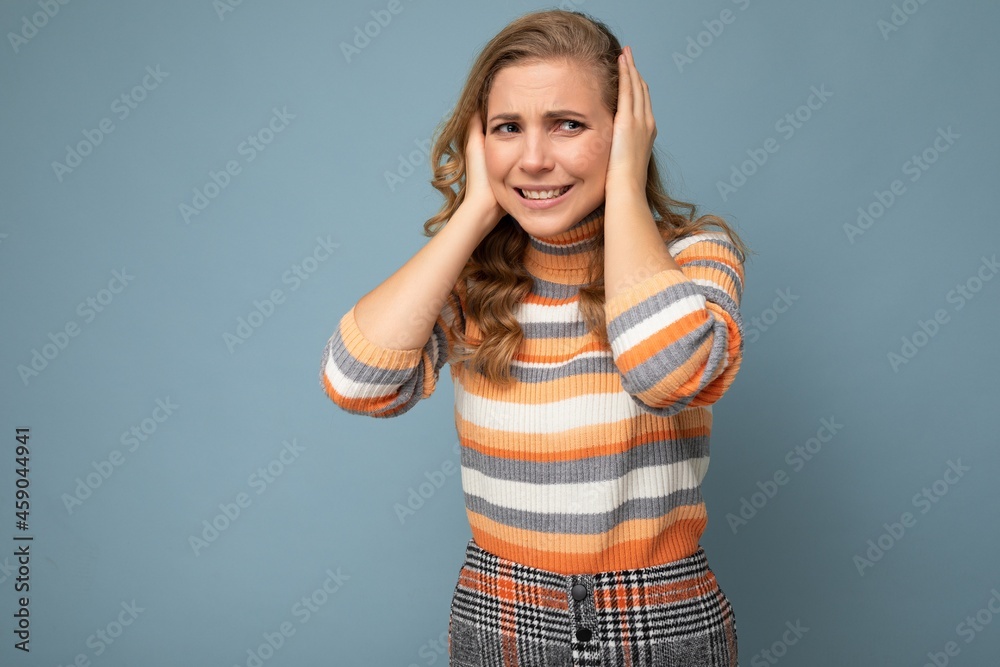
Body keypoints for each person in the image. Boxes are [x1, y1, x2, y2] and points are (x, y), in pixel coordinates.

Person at [319, 8, 751, 666]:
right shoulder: (469, 283)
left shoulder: (695, 256)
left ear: (625, 131)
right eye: (507, 129)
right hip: (500, 617)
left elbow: (667, 375)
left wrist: (626, 191)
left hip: (663, 620)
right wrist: (473, 210)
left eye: (568, 125)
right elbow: (354, 382)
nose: (535, 158)